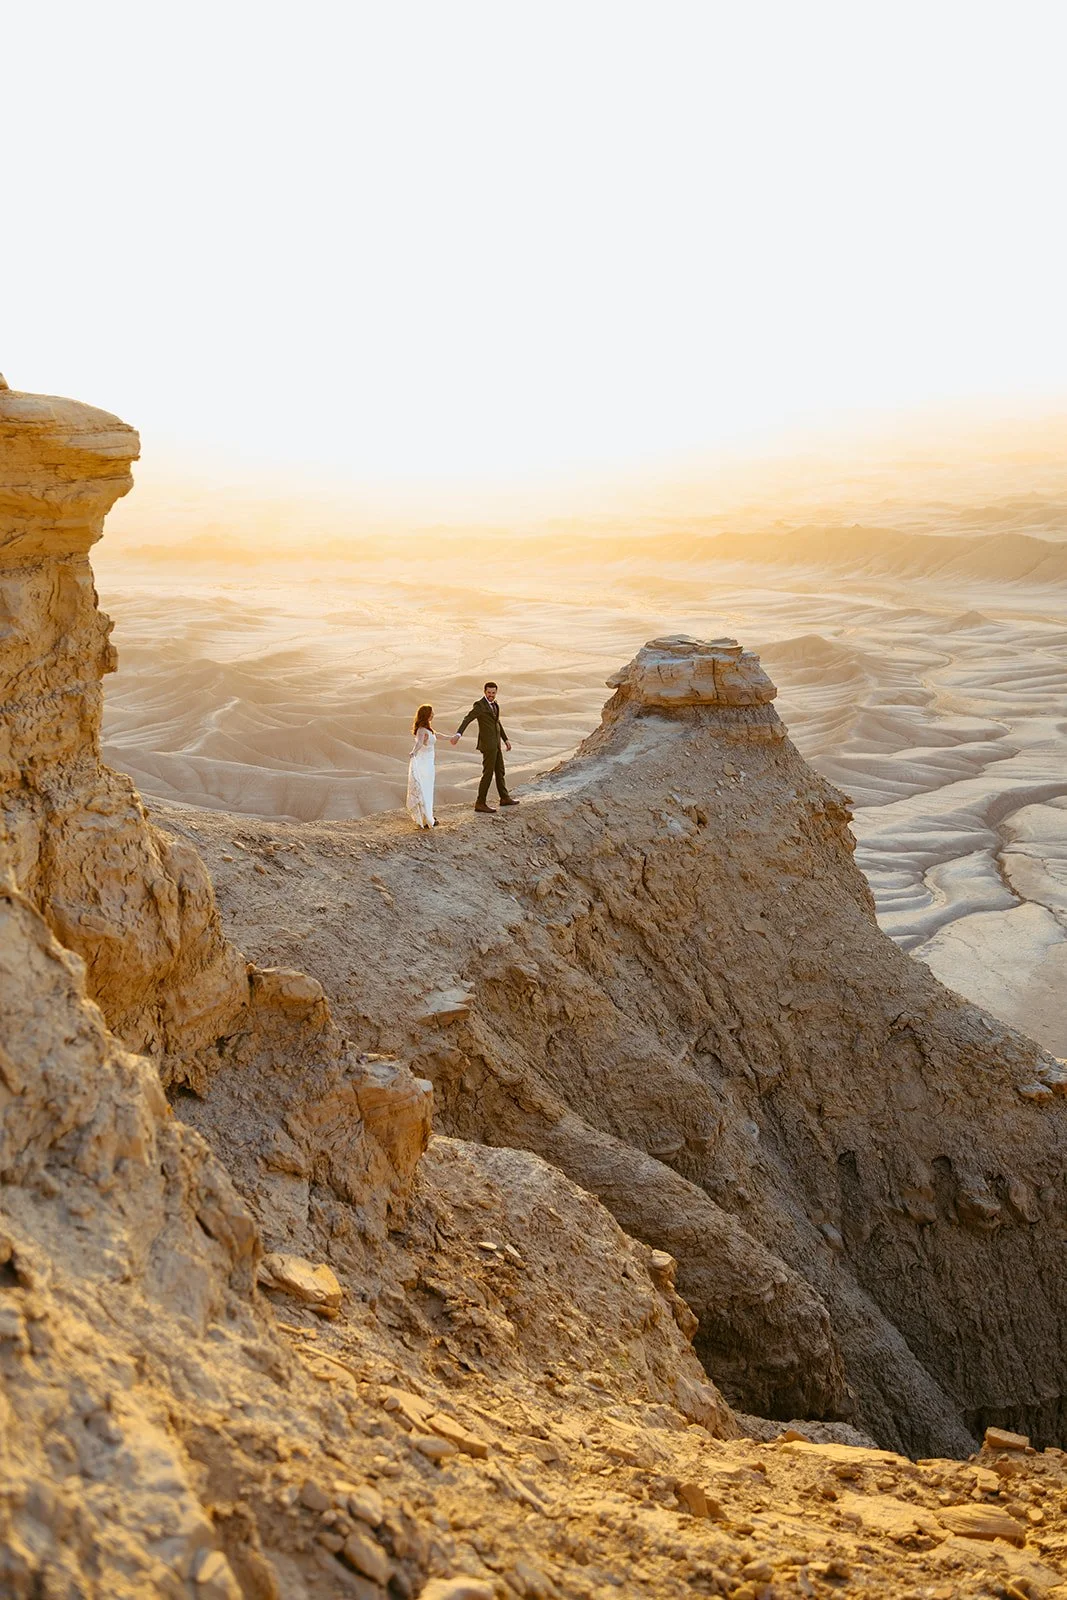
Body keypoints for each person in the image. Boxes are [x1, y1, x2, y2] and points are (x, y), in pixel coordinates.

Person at [451, 680, 519, 813]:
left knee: (500, 771)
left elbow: (497, 723)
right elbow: (467, 718)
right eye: (489, 693)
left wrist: (505, 740)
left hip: (496, 745)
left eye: (493, 693)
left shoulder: (495, 705)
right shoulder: (480, 706)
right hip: (488, 746)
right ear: (484, 692)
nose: (491, 695)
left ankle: (504, 798)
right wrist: (458, 734)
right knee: (487, 773)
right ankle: (480, 803)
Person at [406, 704, 440, 828]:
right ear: (426, 715)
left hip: (429, 762)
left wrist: (452, 738)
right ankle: (427, 818)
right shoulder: (421, 729)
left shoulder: (428, 729)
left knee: (428, 788)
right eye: (431, 713)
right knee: (425, 788)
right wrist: (413, 752)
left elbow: (436, 736)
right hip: (424, 762)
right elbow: (420, 743)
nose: (433, 715)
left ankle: (428, 816)